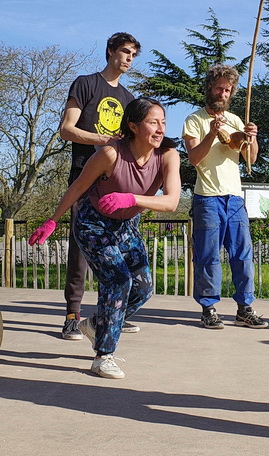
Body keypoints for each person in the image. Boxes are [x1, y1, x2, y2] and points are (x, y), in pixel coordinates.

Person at [29, 97, 182, 379]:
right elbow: (78, 187)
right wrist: (53, 220)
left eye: (163, 122)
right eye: (153, 122)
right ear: (134, 126)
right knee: (118, 281)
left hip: (126, 225)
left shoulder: (168, 155)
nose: (160, 129)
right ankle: (103, 355)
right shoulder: (111, 154)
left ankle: (96, 323)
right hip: (93, 223)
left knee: (144, 288)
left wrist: (131, 198)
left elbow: (172, 202)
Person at [58, 32, 142, 340]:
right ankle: (72, 315)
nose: (128, 58)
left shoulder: (130, 99)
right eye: (124, 51)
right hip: (85, 176)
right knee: (81, 250)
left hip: (116, 186)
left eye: (133, 54)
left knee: (118, 250)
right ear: (110, 51)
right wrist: (103, 140)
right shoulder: (86, 84)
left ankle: (113, 313)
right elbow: (67, 129)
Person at [182, 64, 267, 330]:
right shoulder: (194, 120)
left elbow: (250, 160)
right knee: (208, 255)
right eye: (219, 88)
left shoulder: (236, 121)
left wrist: (251, 139)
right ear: (209, 87)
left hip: (234, 198)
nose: (223, 93)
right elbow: (194, 158)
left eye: (228, 90)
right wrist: (210, 134)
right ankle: (208, 308)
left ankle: (244, 308)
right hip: (207, 197)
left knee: (242, 254)